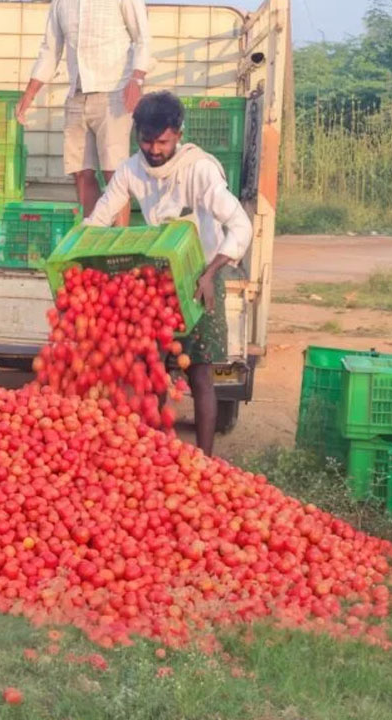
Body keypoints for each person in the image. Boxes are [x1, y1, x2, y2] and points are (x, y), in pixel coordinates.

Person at [86, 91, 253, 457]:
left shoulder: (200, 169)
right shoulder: (131, 169)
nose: (154, 150)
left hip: (201, 277)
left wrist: (211, 274)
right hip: (158, 280)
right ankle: (155, 454)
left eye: (161, 141)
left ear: (178, 134)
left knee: (201, 373)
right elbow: (99, 217)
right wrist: (81, 252)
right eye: (146, 141)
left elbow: (240, 225)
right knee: (154, 372)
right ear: (137, 135)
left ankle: (205, 458)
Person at [16, 0, 153, 223]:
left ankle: (119, 246)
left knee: (114, 174)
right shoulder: (60, 3)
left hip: (114, 93)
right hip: (76, 95)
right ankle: (94, 240)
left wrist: (137, 80)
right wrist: (29, 94)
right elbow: (50, 51)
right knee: (81, 173)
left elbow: (142, 39)